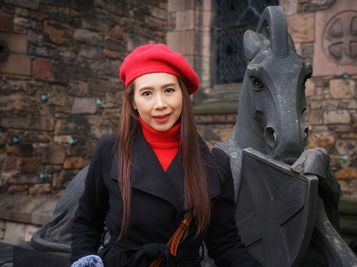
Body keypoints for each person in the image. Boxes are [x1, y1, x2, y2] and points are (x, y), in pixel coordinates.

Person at [70, 43, 262, 267]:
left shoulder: (215, 163)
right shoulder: (109, 150)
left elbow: (225, 243)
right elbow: (87, 221)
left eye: (169, 90)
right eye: (147, 93)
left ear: (183, 94)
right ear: (133, 101)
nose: (160, 104)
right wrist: (83, 261)